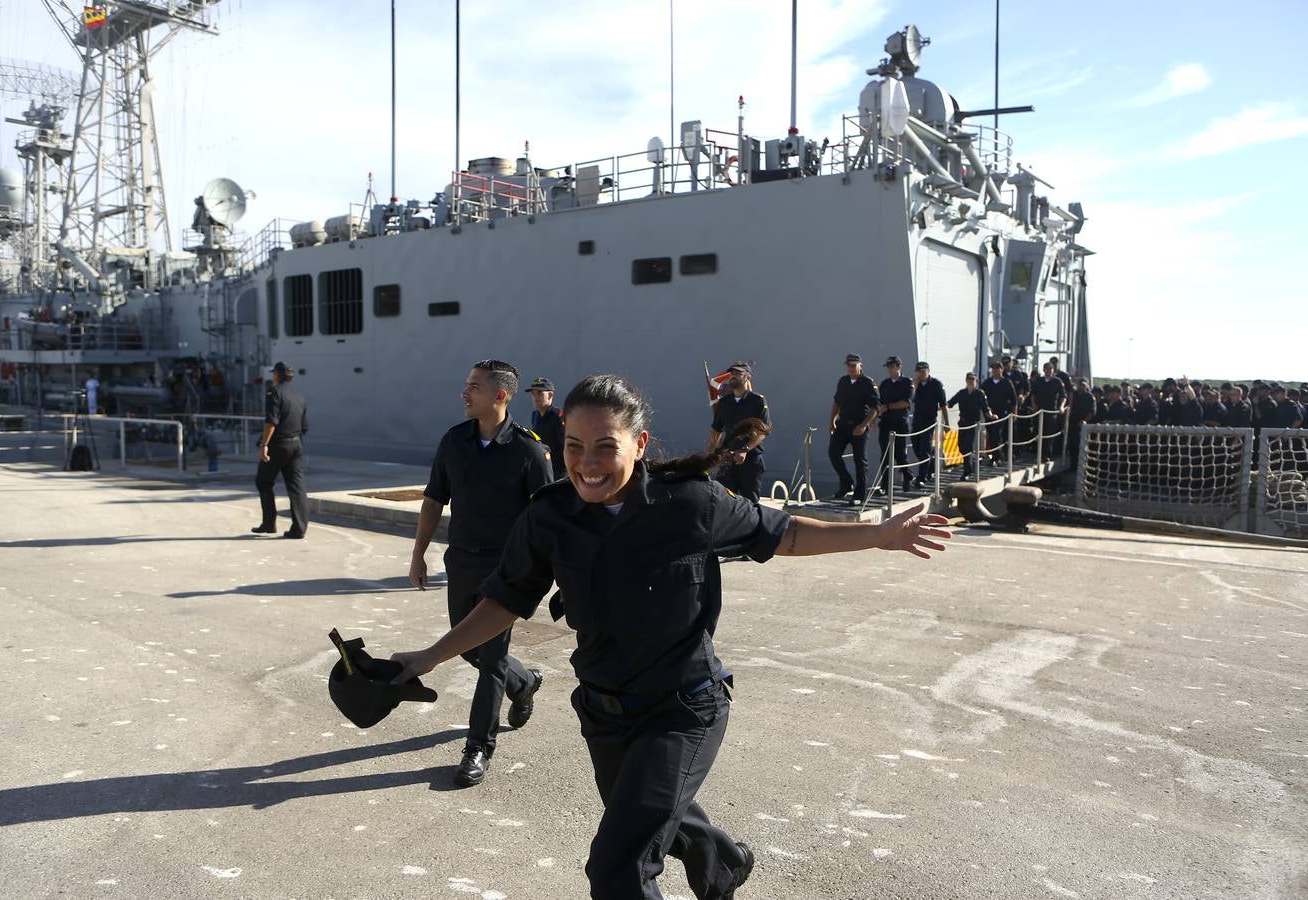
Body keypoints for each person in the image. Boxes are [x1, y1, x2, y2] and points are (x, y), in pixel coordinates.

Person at [389, 373, 951, 900]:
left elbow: (786, 534)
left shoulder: (690, 504)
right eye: (574, 447)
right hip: (604, 711)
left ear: (639, 443)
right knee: (658, 816)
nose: (587, 464)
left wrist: (880, 534)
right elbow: (505, 601)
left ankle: (711, 862)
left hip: (683, 708)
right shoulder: (549, 517)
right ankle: (723, 862)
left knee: (619, 865)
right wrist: (430, 657)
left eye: (605, 446)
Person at [409, 359, 552, 787]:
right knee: (465, 646)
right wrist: (419, 554)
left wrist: (540, 570)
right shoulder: (454, 442)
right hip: (462, 562)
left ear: (499, 395)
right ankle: (523, 681)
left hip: (505, 569)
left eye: (473, 386)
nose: (464, 393)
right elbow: (434, 500)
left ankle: (478, 747)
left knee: (489, 659)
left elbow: (546, 517)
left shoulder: (530, 450)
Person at [252, 362, 309, 539]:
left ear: (277, 375)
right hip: (296, 444)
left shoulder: (274, 391)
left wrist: (264, 445)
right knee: (297, 487)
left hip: (278, 445)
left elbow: (271, 422)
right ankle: (299, 528)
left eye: (273, 373)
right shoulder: (299, 396)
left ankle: (269, 524)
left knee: (263, 481)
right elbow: (304, 426)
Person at [708, 362, 771, 502]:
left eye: (738, 373)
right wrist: (710, 455)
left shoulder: (757, 401)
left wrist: (745, 449)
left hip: (750, 460)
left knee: (750, 503)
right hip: (727, 459)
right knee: (723, 501)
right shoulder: (724, 402)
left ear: (747, 377)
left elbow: (763, 431)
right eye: (732, 373)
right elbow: (716, 430)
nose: (733, 376)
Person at [828, 353, 879, 503]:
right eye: (848, 365)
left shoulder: (868, 383)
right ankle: (846, 483)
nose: (850, 368)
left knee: (860, 461)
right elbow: (837, 402)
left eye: (853, 365)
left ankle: (859, 495)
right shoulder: (843, 381)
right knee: (833, 453)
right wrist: (832, 421)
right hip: (843, 424)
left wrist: (863, 426)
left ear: (860, 366)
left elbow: (875, 408)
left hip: (859, 425)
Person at [875, 356, 914, 493]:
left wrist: (888, 407)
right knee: (885, 455)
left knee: (900, 454)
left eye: (892, 366)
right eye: (888, 367)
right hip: (886, 422)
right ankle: (884, 486)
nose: (889, 369)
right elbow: (879, 402)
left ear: (899, 367)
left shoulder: (907, 382)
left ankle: (907, 477)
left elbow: (906, 402)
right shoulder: (884, 384)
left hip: (900, 422)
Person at [947, 372, 994, 479]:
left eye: (973, 379)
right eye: (969, 379)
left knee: (967, 446)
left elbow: (985, 408)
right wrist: (940, 406)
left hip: (973, 424)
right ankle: (971, 462)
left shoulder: (979, 393)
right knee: (961, 446)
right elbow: (950, 403)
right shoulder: (962, 393)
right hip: (963, 423)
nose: (970, 381)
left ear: (976, 381)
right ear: (966, 380)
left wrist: (991, 416)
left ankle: (967, 472)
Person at [910, 361, 948, 488]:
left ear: (928, 371)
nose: (921, 374)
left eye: (923, 371)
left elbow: (943, 405)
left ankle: (922, 477)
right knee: (916, 446)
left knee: (924, 448)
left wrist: (946, 424)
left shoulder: (936, 384)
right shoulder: (916, 384)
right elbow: (910, 401)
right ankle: (931, 464)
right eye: (919, 371)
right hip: (917, 420)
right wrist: (913, 388)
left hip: (929, 420)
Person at [527, 377, 566, 478]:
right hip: (543, 470)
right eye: (533, 394)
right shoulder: (535, 415)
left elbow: (566, 446)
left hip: (559, 473)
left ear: (550, 395)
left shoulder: (558, 417)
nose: (535, 397)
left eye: (539, 393)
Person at [982, 360, 1017, 461]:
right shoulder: (987, 383)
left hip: (1002, 413)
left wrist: (1014, 413)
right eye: (993, 368)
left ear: (1001, 369)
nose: (994, 370)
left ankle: (996, 458)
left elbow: (1014, 399)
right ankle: (997, 454)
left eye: (997, 368)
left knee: (997, 434)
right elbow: (981, 395)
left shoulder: (1006, 382)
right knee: (991, 434)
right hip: (989, 413)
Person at [1031, 361, 1067, 458]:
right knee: (1038, 431)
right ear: (1044, 370)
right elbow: (1033, 394)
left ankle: (1047, 454)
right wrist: (1034, 405)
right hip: (1039, 410)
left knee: (1049, 433)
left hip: (1051, 411)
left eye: (1050, 369)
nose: (1048, 371)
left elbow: (1063, 396)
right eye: (1047, 368)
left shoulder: (1057, 381)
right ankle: (1038, 453)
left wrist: (1061, 406)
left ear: (1053, 370)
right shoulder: (1038, 381)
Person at [1066, 378, 1096, 470]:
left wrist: (1085, 420)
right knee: (1072, 445)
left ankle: (1082, 467)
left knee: (1082, 446)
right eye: (1080, 384)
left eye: (1083, 385)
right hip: (1072, 423)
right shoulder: (1073, 395)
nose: (1081, 386)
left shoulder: (1090, 397)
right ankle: (1073, 465)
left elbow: (1092, 412)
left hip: (1083, 425)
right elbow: (1068, 407)